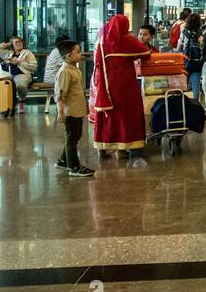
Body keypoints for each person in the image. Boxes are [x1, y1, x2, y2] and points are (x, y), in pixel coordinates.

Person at [90, 13, 152, 163]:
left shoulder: (102, 41)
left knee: (107, 114)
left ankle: (102, 147)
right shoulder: (127, 39)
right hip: (125, 84)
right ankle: (124, 147)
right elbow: (146, 54)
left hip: (105, 83)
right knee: (127, 114)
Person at [54, 39, 93, 177]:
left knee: (76, 136)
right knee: (71, 138)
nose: (80, 54)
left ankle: (63, 160)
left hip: (77, 109)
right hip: (69, 111)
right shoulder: (65, 71)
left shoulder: (74, 69)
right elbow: (60, 93)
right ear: (68, 56)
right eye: (77, 52)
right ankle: (74, 166)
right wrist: (60, 111)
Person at [0, 35, 38, 112]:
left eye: (20, 42)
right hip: (8, 75)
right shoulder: (8, 53)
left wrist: (19, 63)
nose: (19, 44)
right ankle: (3, 105)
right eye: (16, 42)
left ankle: (21, 101)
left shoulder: (28, 53)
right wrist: (8, 44)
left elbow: (34, 67)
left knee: (21, 85)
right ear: (12, 45)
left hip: (22, 75)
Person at [181, 13, 205, 101]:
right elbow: (203, 48)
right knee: (196, 86)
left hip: (185, 62)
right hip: (197, 63)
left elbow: (179, 47)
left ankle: (184, 104)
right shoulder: (201, 34)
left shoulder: (184, 33)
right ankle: (195, 104)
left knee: (183, 85)